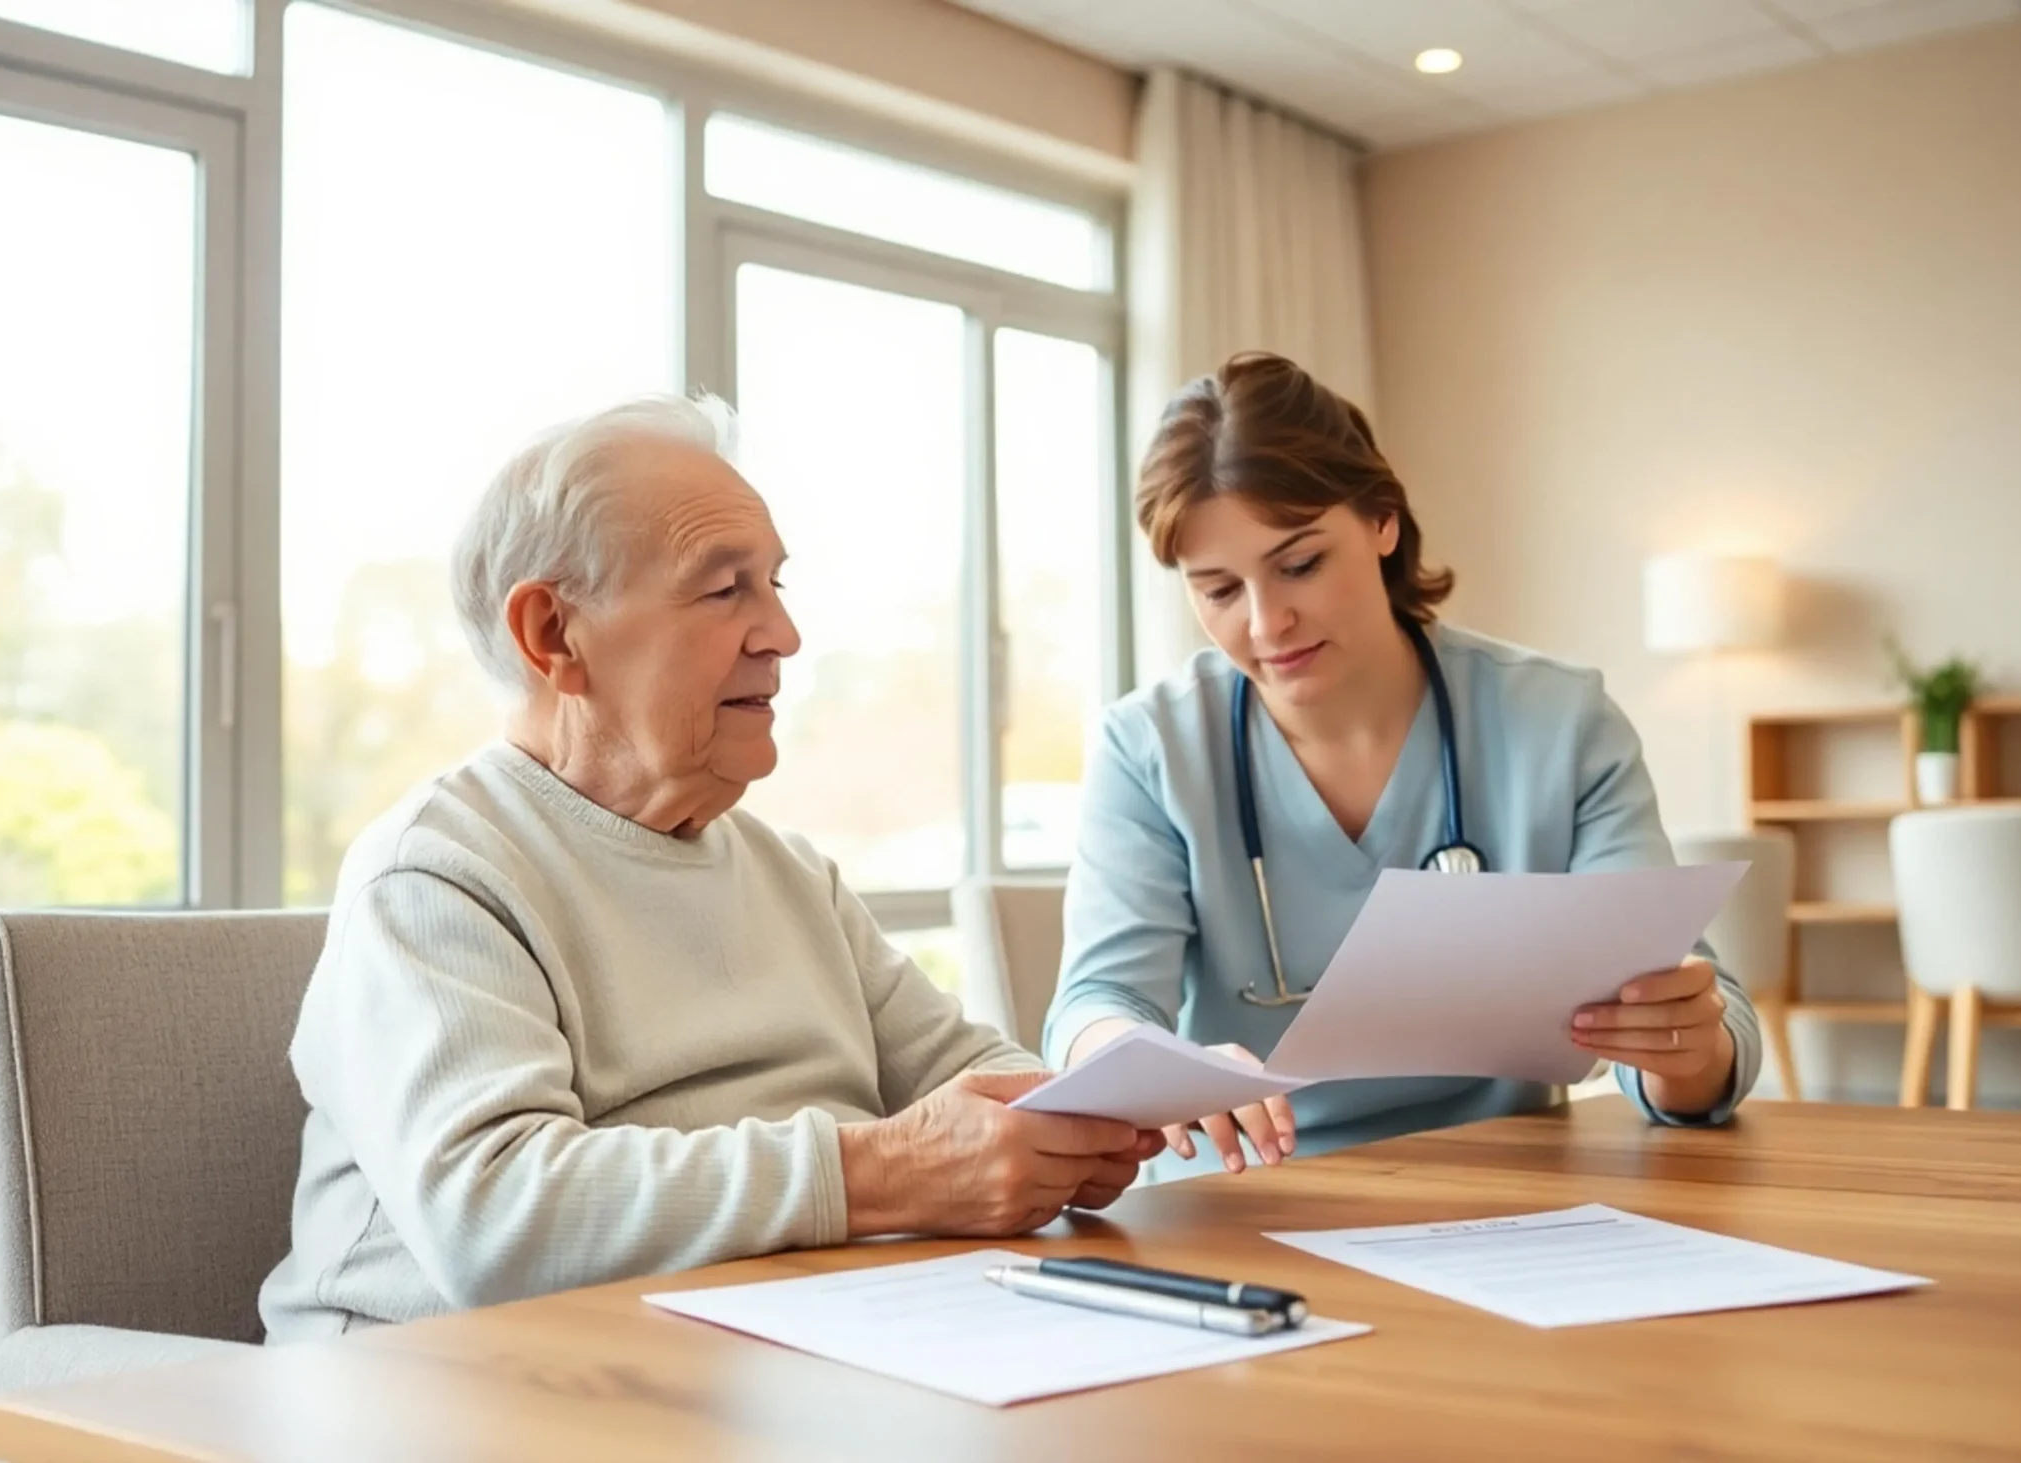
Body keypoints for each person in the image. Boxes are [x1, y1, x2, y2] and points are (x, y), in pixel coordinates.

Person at [260, 396, 1156, 1341]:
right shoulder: (434, 875)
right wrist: (887, 1171)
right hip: (454, 1375)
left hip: (769, 1345)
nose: (783, 634)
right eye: (727, 590)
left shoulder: (791, 874)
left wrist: (1072, 1127)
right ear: (553, 634)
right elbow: (497, 1218)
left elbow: (968, 1070)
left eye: (776, 583)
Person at [1043, 353, 1762, 1176]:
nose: (1268, 623)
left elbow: (1694, 1017)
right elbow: (1094, 1008)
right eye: (1219, 590)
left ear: (1382, 520)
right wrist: (1164, 1064)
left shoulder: (1560, 721)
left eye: (1299, 565)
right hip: (1242, 1199)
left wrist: (1682, 1050)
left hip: (1507, 1194)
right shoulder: (1150, 748)